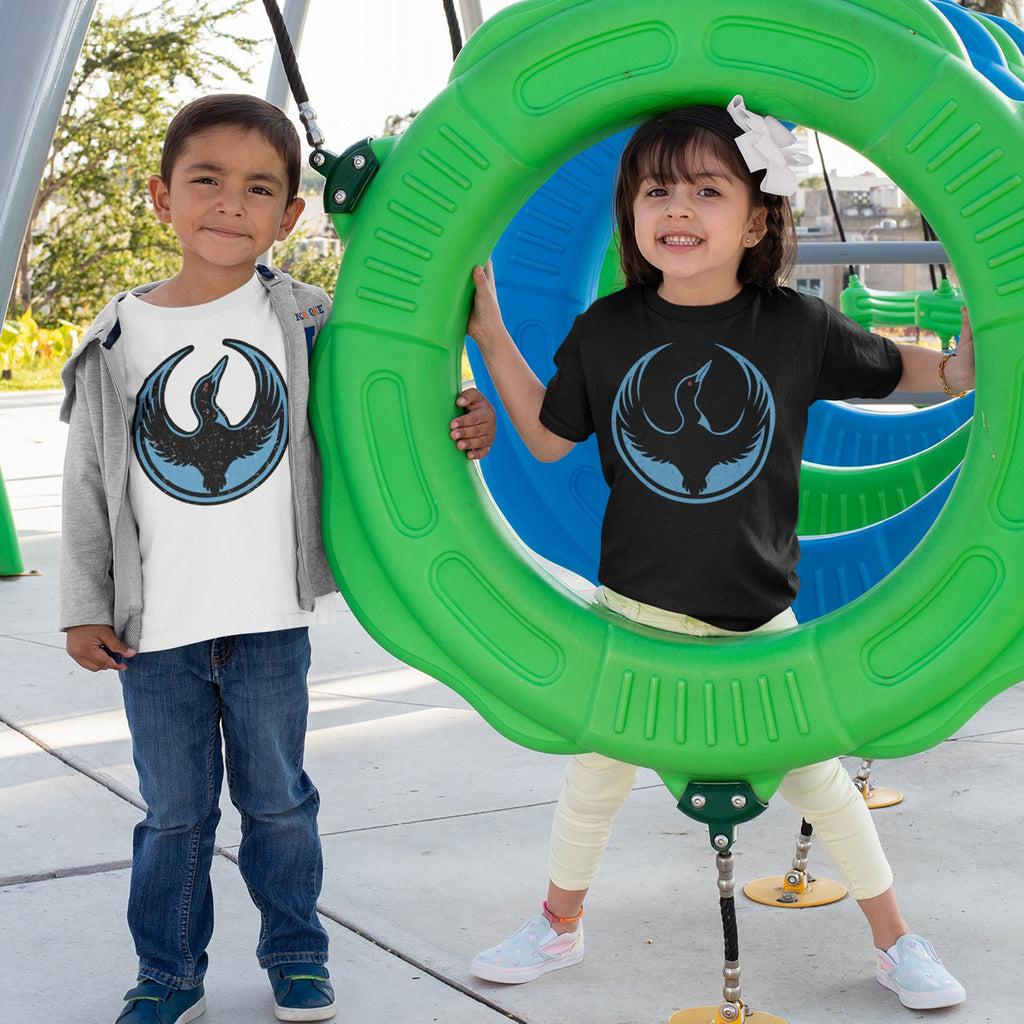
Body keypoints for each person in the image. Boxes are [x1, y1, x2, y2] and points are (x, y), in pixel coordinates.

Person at [464, 96, 973, 1011]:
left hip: (755, 616)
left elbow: (907, 370)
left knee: (820, 782)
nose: (679, 210)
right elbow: (545, 437)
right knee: (595, 778)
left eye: (708, 189)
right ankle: (558, 921)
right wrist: (490, 336)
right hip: (634, 613)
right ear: (629, 217)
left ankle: (898, 941)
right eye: (656, 191)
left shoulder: (794, 328)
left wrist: (965, 360)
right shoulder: (608, 331)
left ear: (758, 217)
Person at [59, 93, 495, 1024]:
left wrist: (468, 407)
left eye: (259, 189)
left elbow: (394, 384)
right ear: (160, 197)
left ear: (290, 215)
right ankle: (168, 974)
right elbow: (90, 483)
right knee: (173, 816)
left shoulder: (308, 321)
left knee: (280, 804)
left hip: (266, 622)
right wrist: (82, 603)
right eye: (205, 180)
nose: (230, 204)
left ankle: (297, 951)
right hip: (153, 634)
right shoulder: (116, 335)